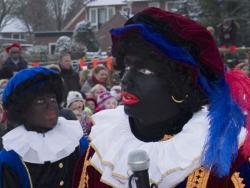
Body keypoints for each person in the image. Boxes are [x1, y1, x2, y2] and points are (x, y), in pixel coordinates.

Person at [75, 8, 250, 188]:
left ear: (180, 85)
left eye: (144, 70)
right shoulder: (102, 145)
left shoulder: (223, 153)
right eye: (127, 67)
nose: (126, 80)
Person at [0, 67, 88, 187]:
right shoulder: (11, 158)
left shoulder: (76, 142)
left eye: (52, 99)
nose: (50, 105)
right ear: (22, 110)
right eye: (40, 101)